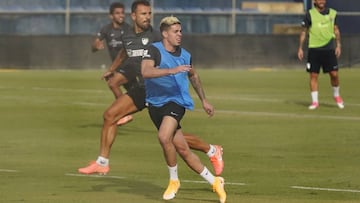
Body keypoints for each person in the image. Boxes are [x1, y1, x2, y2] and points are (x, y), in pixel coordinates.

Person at [78, 0, 224, 177]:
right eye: (143, 14)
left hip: (163, 92)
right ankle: (102, 163)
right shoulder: (127, 35)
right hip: (143, 88)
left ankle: (211, 150)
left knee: (172, 139)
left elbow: (183, 61)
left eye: (149, 13)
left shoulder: (156, 36)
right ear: (133, 16)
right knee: (110, 116)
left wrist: (202, 98)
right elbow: (124, 52)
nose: (147, 17)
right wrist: (112, 69)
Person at [141, 16, 226, 202]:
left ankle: (174, 180)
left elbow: (194, 76)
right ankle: (215, 181)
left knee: (164, 137)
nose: (180, 35)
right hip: (155, 104)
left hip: (177, 102)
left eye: (180, 31)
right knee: (183, 150)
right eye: (175, 31)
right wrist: (170, 70)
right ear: (165, 34)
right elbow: (146, 72)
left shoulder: (185, 55)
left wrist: (204, 100)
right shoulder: (154, 50)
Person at [91, 2, 133, 125]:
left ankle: (124, 113)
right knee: (137, 95)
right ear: (111, 16)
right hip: (119, 67)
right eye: (117, 13)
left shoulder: (128, 29)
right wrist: (96, 46)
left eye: (122, 13)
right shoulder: (106, 29)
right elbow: (94, 45)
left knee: (113, 83)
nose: (121, 16)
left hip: (130, 65)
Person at [297, 0, 344, 110]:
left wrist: (338, 45)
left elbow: (336, 30)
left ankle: (336, 95)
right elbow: (304, 32)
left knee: (334, 74)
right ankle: (315, 102)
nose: (322, 1)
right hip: (314, 49)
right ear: (315, 1)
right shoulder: (310, 14)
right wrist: (300, 48)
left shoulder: (333, 13)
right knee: (313, 75)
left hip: (329, 49)